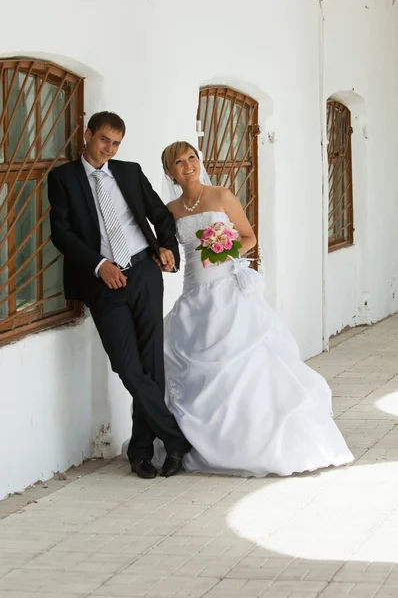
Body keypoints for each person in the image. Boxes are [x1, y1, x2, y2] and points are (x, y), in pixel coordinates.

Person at [157, 140, 354, 477]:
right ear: (169, 171)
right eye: (179, 161)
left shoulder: (221, 196)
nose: (188, 165)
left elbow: (248, 236)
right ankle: (193, 440)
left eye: (192, 157)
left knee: (243, 364)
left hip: (228, 293)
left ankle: (252, 441)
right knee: (181, 362)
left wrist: (224, 247)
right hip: (194, 295)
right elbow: (167, 248)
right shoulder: (170, 209)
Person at [48, 112, 190, 479]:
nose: (108, 149)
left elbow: (161, 215)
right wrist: (99, 265)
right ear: (88, 135)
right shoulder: (63, 178)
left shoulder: (128, 171)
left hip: (143, 271)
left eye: (115, 144)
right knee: (127, 366)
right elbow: (62, 234)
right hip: (102, 282)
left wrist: (165, 246)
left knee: (150, 365)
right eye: (104, 141)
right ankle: (176, 440)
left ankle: (142, 452)